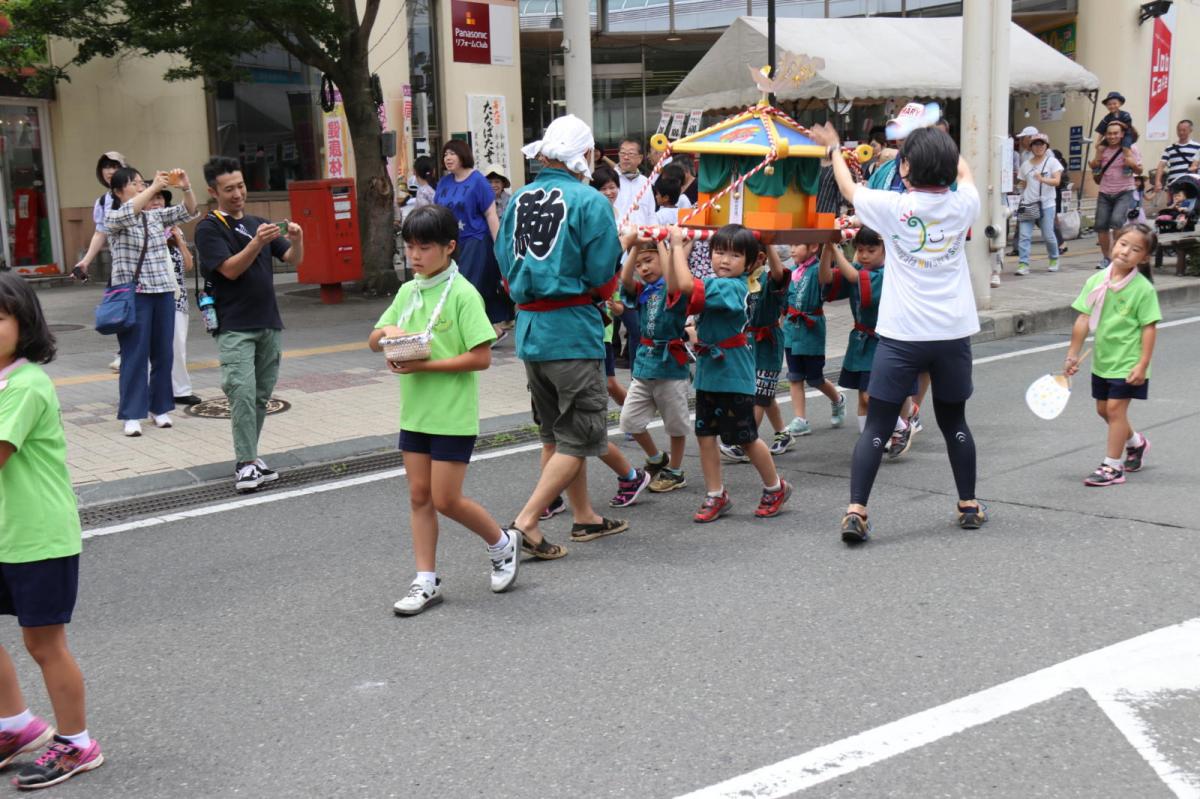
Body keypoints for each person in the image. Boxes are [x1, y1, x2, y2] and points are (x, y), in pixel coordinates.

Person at [808, 121, 985, 544]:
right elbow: (966, 174)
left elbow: (849, 190)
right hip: (952, 334)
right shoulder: (964, 206)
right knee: (954, 420)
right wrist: (944, 145)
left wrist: (834, 148)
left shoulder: (892, 206)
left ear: (904, 169)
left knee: (878, 427)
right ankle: (968, 504)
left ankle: (857, 510)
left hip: (901, 335)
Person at [495, 114, 636, 558]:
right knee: (581, 434)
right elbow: (601, 274)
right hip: (572, 330)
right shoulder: (591, 201)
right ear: (585, 156)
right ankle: (526, 522)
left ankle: (585, 517)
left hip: (531, 331)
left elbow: (503, 261)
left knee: (555, 435)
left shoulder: (518, 198)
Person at [368, 205, 518, 615]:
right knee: (419, 496)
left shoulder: (464, 294)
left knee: (445, 499)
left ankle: (502, 543)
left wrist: (424, 365)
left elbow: (482, 357)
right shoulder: (408, 291)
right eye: (410, 246)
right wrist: (388, 334)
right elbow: (373, 338)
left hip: (452, 414)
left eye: (425, 247)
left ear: (450, 247)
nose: (415, 255)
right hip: (415, 411)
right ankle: (425, 579)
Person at [0, 274, 104, 788]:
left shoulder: (25, 385)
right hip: (3, 534)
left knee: (44, 643)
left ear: (24, 325)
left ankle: (76, 742)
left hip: (37, 535)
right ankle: (15, 725)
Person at [667, 223, 792, 523]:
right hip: (710, 373)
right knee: (706, 435)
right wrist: (673, 247)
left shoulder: (733, 287)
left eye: (734, 255)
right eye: (719, 252)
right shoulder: (715, 282)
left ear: (751, 263)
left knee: (745, 438)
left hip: (734, 375)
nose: (724, 259)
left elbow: (685, 286)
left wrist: (674, 246)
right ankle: (715, 494)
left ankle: (775, 487)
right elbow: (674, 286)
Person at [194, 156, 304, 493]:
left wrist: (297, 238)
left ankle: (252, 458)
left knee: (260, 396)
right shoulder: (209, 227)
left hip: (268, 321)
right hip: (234, 325)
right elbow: (228, 269)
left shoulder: (258, 221)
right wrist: (257, 242)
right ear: (213, 191)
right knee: (240, 393)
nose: (238, 193)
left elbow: (292, 259)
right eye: (229, 189)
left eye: (241, 186)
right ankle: (244, 464)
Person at [1064, 223, 1160, 487]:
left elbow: (1149, 328)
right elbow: (1083, 318)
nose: (1126, 251)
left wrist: (1143, 364)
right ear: (1113, 244)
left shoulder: (1143, 289)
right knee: (1104, 410)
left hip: (1129, 361)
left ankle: (1112, 466)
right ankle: (1136, 444)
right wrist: (1073, 354)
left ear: (1144, 258)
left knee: (1116, 409)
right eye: (1123, 244)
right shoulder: (1096, 281)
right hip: (1103, 359)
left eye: (1135, 249)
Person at [105, 167, 199, 437]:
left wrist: (186, 186)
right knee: (134, 355)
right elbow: (128, 211)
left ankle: (160, 408)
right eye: (134, 183)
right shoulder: (115, 216)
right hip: (134, 295)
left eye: (140, 183)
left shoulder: (156, 216)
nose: (139, 186)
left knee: (163, 354)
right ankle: (132, 414)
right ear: (118, 190)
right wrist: (153, 187)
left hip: (164, 292)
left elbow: (189, 210)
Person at [617, 236, 693, 494]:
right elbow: (625, 281)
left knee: (675, 424)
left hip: (670, 366)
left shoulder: (674, 289)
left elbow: (673, 280)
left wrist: (665, 244)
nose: (644, 268)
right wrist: (636, 247)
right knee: (629, 421)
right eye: (639, 265)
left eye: (649, 261)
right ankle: (656, 457)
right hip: (644, 365)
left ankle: (676, 470)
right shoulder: (642, 291)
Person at [722, 242, 792, 460]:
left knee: (760, 394)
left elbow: (779, 273)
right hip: (748, 341)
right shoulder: (740, 280)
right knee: (763, 390)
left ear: (761, 258)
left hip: (768, 341)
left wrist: (770, 244)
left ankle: (744, 440)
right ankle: (784, 433)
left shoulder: (768, 278)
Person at [435, 140, 511, 337]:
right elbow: (437, 213)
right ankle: (491, 329)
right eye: (445, 154)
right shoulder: (444, 183)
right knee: (454, 285)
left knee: (467, 286)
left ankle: (471, 332)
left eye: (452, 153)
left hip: (475, 241)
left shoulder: (478, 181)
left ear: (463, 155)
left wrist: (500, 247)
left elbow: (491, 215)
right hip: (450, 244)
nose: (448, 158)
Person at [782, 243, 846, 437]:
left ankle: (837, 399)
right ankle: (800, 419)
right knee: (794, 376)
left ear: (813, 247)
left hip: (811, 329)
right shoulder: (790, 272)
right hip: (791, 329)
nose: (792, 249)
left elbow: (826, 275)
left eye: (798, 245)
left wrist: (828, 247)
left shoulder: (818, 269)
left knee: (815, 378)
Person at [72, 151, 127, 373]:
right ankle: (125, 352)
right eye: (105, 166)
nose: (110, 171)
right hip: (121, 266)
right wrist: (85, 261)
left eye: (114, 166)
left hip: (147, 265)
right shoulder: (104, 201)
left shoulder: (140, 192)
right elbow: (100, 233)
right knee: (122, 309)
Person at [147, 189, 202, 406]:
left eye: (159, 198)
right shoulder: (142, 229)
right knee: (153, 347)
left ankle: (181, 389)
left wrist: (178, 240)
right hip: (151, 297)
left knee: (178, 345)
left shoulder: (175, 229)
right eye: (151, 198)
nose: (155, 202)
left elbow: (188, 265)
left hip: (177, 298)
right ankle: (155, 390)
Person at [1090, 121, 1143, 270]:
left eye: (1115, 133)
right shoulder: (1102, 149)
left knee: (1116, 222)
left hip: (1124, 191)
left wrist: (1132, 164)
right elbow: (1096, 171)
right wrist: (1095, 165)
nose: (1112, 136)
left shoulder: (1130, 148)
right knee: (1101, 226)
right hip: (1105, 191)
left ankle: (1118, 255)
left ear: (1122, 134)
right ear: (1105, 135)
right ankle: (1107, 258)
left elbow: (1139, 171)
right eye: (1109, 133)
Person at [1014, 133, 1063, 276]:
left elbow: (1057, 181)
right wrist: (1019, 191)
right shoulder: (1025, 165)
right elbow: (1022, 183)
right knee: (1024, 235)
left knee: (1048, 234)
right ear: (1031, 147)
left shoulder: (1052, 162)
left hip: (1046, 203)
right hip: (1028, 203)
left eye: (1042, 144)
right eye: (1035, 144)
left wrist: (1042, 179)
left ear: (1046, 146)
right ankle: (1023, 264)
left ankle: (1054, 258)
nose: (1039, 147)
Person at [1149, 119, 1199, 200]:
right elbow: (1161, 165)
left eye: (1184, 130)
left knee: (1190, 209)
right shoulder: (1169, 148)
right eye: (1179, 130)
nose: (1181, 132)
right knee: (1173, 209)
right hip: (1174, 184)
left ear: (1190, 130)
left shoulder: (1197, 147)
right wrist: (1157, 181)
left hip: (1191, 185)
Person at [614, 138, 655, 227]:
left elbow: (651, 213)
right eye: (623, 153)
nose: (626, 157)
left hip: (643, 235)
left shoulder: (645, 181)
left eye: (631, 154)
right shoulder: (611, 179)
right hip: (619, 235)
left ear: (640, 158)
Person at [1092, 91, 1136, 159]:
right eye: (1109, 104)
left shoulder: (1125, 114)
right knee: (1100, 148)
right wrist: (1098, 141)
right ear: (1106, 106)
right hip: (1110, 137)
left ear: (1120, 104)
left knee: (1125, 148)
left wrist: (1118, 123)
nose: (1112, 106)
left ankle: (1128, 164)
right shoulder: (1106, 118)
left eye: (1114, 103)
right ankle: (1097, 165)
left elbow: (1128, 126)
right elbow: (1101, 130)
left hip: (1126, 135)